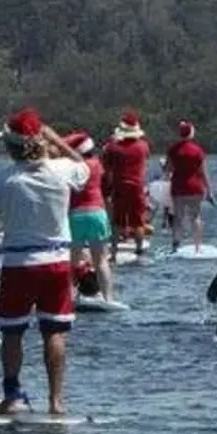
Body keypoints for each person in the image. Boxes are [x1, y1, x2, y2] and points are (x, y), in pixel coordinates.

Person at [0, 108, 85, 417]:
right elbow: (87, 166)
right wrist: (57, 140)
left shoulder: (3, 179)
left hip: (18, 264)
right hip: (56, 263)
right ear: (41, 140)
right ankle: (56, 401)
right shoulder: (64, 170)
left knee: (12, 333)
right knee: (54, 332)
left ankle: (12, 396)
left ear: (10, 146)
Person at [64, 131, 118, 306]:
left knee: (72, 261)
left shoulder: (72, 167)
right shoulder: (97, 164)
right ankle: (108, 298)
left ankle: (67, 297)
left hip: (76, 214)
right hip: (97, 212)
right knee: (101, 260)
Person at [100, 111, 151, 258]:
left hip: (119, 185)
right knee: (138, 220)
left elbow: (107, 168)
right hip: (137, 186)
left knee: (118, 220)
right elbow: (146, 160)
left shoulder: (112, 148)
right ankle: (139, 249)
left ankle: (114, 252)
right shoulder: (143, 146)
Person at [166, 120, 209, 253]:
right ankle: (197, 247)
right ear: (191, 133)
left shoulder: (173, 150)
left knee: (178, 216)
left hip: (178, 187)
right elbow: (203, 172)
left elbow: (168, 169)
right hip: (195, 187)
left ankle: (175, 245)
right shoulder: (197, 150)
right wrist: (209, 189)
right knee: (195, 216)